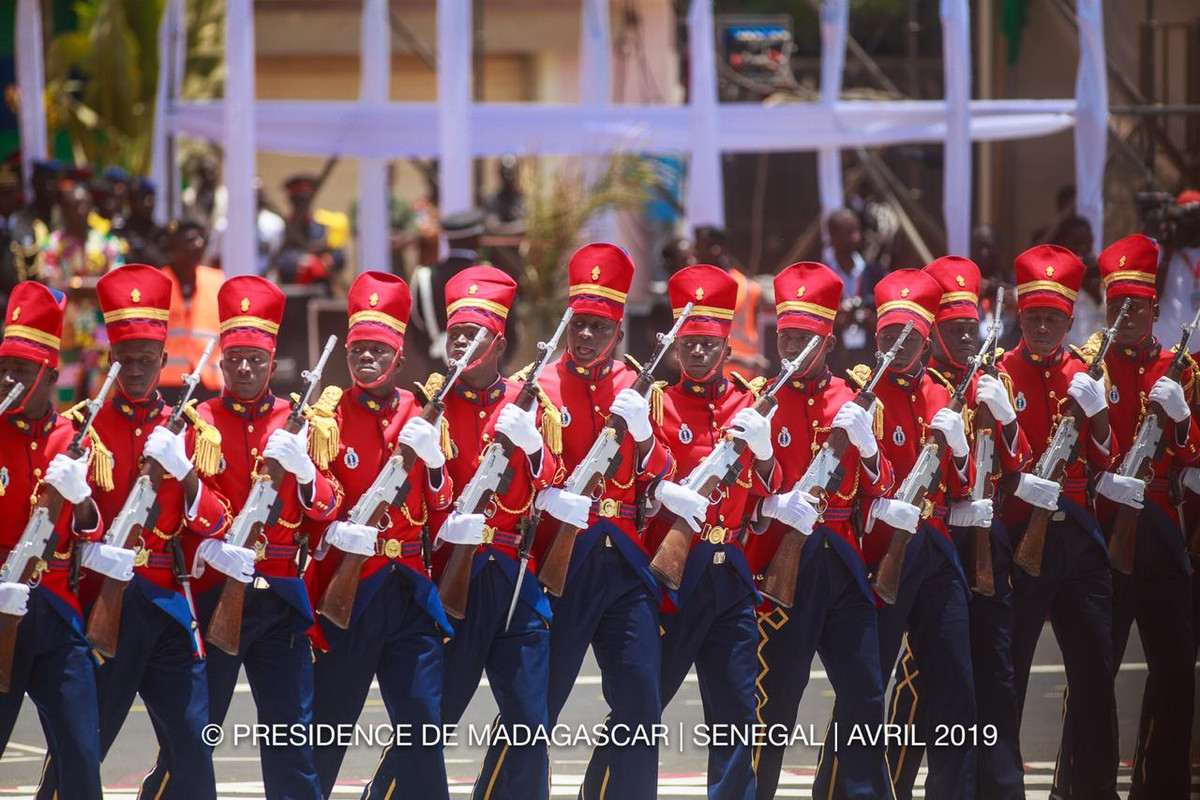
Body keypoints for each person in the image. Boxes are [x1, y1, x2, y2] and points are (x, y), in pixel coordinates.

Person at [139, 275, 342, 799]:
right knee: (193, 738)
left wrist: (303, 473)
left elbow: (327, 509)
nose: (246, 368)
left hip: (279, 596)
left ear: (273, 363)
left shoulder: (300, 423)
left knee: (290, 739)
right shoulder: (199, 422)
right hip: (213, 598)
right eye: (236, 360)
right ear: (221, 364)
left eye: (256, 359)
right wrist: (211, 546)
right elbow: (181, 514)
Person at [35, 264, 230, 800]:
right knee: (82, 752)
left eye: (148, 360)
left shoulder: (190, 431)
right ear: (110, 360)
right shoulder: (80, 429)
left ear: (165, 360)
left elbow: (217, 519)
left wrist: (186, 473)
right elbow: (59, 530)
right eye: (127, 360)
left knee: (194, 745)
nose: (138, 370)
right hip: (104, 607)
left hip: (167, 604)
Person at [745, 261, 896, 800]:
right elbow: (742, 498)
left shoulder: (852, 402)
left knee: (865, 695)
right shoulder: (759, 399)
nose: (792, 349)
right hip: (782, 568)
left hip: (844, 564)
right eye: (785, 337)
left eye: (805, 339)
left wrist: (872, 449)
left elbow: (880, 491)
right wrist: (770, 484)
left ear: (827, 343)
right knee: (774, 701)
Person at [884, 257, 1033, 800]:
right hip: (937, 534)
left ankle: (997, 785)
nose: (967, 339)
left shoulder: (992, 378)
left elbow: (1021, 463)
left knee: (992, 670)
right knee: (924, 678)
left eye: (972, 328)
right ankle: (896, 782)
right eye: (954, 330)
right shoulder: (920, 383)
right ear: (934, 335)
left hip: (987, 534)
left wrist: (1008, 417)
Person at [305, 271, 455, 799]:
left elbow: (441, 508)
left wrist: (434, 464)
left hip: (410, 589)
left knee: (421, 726)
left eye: (377, 349)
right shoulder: (329, 417)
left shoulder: (422, 414)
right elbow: (315, 504)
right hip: (354, 590)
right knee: (329, 727)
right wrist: (341, 529)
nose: (365, 358)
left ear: (398, 357)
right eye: (357, 349)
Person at [534, 242, 675, 799]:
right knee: (540, 700)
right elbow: (528, 475)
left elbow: (662, 476)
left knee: (642, 695)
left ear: (618, 333)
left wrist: (642, 436)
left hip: (626, 559)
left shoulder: (638, 388)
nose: (586, 336)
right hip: (565, 559)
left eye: (598, 327)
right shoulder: (541, 387)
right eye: (579, 325)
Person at [1061, 234, 1196, 799]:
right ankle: (1079, 786)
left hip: (1164, 535)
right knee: (1094, 674)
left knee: (1174, 670)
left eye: (1136, 307)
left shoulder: (1181, 367)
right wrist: (1100, 478)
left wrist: (1184, 420)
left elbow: (1194, 459)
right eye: (1117, 306)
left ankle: (1157, 785)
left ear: (1156, 310)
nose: (1125, 316)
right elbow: (1061, 453)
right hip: (1104, 537)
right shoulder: (1087, 366)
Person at [842, 269, 980, 799]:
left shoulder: (945, 394)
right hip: (880, 555)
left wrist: (961, 448)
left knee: (954, 684)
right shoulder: (858, 395)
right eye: (886, 336)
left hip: (936, 549)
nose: (897, 347)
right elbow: (842, 489)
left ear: (927, 339)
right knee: (867, 689)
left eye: (910, 337)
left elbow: (962, 487)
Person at [649, 264, 780, 800]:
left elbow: (772, 499)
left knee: (736, 715)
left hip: (732, 581)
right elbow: (641, 484)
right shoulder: (660, 404)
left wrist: (767, 451)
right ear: (676, 348)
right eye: (688, 344)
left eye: (708, 344)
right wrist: (665, 488)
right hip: (677, 579)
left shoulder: (749, 404)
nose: (698, 353)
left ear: (726, 346)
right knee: (642, 705)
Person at [998, 244, 1120, 800]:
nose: (1043, 326)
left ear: (1071, 319)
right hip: (1024, 537)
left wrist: (1096, 416)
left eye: (1053, 317)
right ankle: (1004, 787)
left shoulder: (1083, 373)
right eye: (1034, 316)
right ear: (1019, 316)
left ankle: (1091, 789)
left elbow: (1108, 460)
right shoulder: (1000, 376)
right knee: (1011, 676)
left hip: (1080, 544)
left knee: (1095, 676)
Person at [435, 266, 561, 800]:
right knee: (431, 718)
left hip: (512, 576)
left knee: (530, 723)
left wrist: (531, 444)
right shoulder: (431, 406)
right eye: (457, 333)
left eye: (475, 335)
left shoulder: (528, 403)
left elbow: (552, 480)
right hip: (451, 576)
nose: (463, 343)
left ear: (499, 342)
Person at [0, 281, 104, 799]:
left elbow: (93, 529)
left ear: (49, 373)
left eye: (21, 370)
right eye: (5, 367)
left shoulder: (73, 437)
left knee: (82, 755)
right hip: (0, 609)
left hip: (57, 610)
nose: (8, 379)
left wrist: (80, 496)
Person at [405, 209, 488, 385]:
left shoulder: (424, 275)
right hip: (484, 374)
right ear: (477, 239)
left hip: (437, 372)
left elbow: (416, 328)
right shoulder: (490, 275)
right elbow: (508, 331)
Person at [160, 219, 223, 402]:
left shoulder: (216, 280)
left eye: (200, 239)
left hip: (207, 381)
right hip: (168, 383)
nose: (199, 245)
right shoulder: (159, 283)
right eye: (190, 240)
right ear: (174, 248)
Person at [694, 225, 768, 378]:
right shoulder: (694, 286)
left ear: (717, 248)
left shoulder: (747, 287)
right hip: (704, 379)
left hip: (740, 381)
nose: (694, 254)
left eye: (700, 247)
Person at [824, 209, 887, 377]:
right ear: (832, 236)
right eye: (849, 232)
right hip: (833, 362)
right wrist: (836, 318)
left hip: (869, 358)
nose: (856, 237)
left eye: (858, 230)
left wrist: (871, 319)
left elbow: (888, 314)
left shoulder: (875, 272)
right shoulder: (822, 274)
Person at [275, 174, 348, 287]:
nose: (301, 205)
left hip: (322, 291)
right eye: (298, 200)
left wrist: (331, 260)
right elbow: (279, 261)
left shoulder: (323, 227)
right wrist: (302, 262)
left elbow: (340, 256)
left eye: (305, 200)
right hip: (293, 292)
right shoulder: (281, 228)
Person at [0, 167, 47, 305]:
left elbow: (35, 272)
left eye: (11, 193)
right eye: (3, 194)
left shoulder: (29, 228)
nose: (7, 199)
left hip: (23, 304)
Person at [112, 178, 166, 267]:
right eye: (142, 199)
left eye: (151, 199)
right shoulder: (121, 229)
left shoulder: (159, 232)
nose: (148, 204)